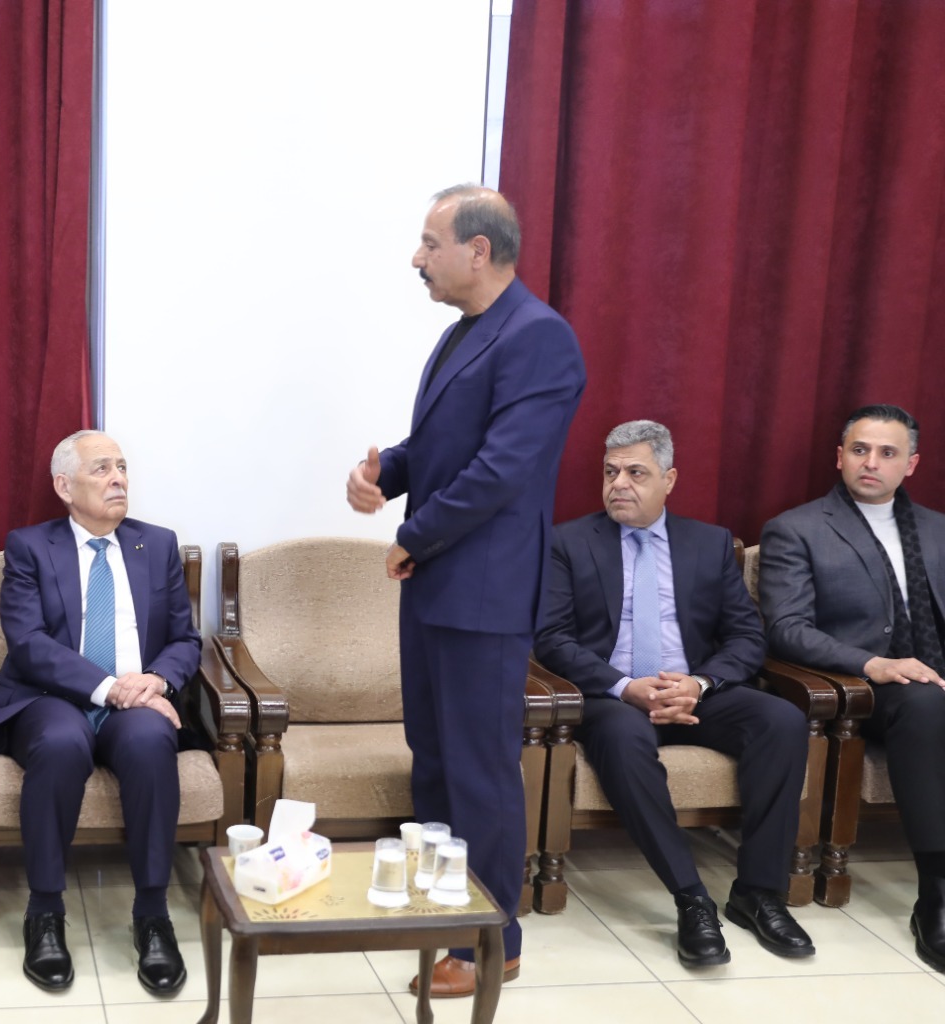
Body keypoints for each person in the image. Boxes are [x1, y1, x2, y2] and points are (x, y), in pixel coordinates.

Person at [345, 184, 585, 997]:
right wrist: (386, 473)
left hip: (483, 594)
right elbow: (444, 448)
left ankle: (491, 944)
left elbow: (501, 471)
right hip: (438, 588)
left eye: (429, 243)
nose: (416, 258)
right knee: (437, 761)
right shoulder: (464, 333)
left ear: (478, 251)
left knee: (480, 771)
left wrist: (413, 534)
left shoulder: (540, 337)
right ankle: (445, 910)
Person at [535, 420, 816, 966]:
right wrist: (625, 686)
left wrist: (698, 683)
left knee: (781, 720)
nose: (619, 483)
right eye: (610, 472)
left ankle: (759, 893)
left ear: (669, 480)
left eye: (636, 473)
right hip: (612, 696)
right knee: (622, 738)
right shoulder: (567, 542)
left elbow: (746, 636)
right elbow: (552, 639)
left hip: (695, 691)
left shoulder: (709, 543)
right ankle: (691, 898)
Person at [0, 430, 201, 996]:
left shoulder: (156, 544)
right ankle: (45, 911)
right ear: (64, 486)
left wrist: (156, 680)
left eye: (122, 467)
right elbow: (28, 643)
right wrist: (110, 689)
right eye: (101, 468)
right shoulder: (30, 546)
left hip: (137, 698)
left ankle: (152, 914)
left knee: (151, 740)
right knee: (61, 743)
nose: (118, 478)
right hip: (50, 697)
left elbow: (184, 639)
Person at [758, 404, 945, 972]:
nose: (871, 462)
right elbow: (787, 629)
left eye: (888, 453)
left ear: (911, 464)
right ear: (839, 456)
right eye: (860, 450)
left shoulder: (939, 529)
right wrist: (873, 664)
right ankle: (936, 894)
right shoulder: (797, 529)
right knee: (925, 703)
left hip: (936, 675)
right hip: (867, 689)